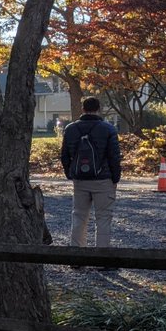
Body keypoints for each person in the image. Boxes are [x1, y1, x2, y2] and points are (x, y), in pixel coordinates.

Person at [60, 97, 121, 247]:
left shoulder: (70, 129)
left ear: (83, 109)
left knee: (79, 217)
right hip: (103, 179)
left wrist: (70, 174)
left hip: (80, 180)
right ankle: (102, 257)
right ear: (98, 108)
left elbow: (65, 156)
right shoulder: (108, 129)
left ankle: (77, 255)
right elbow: (114, 156)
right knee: (103, 218)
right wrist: (115, 178)